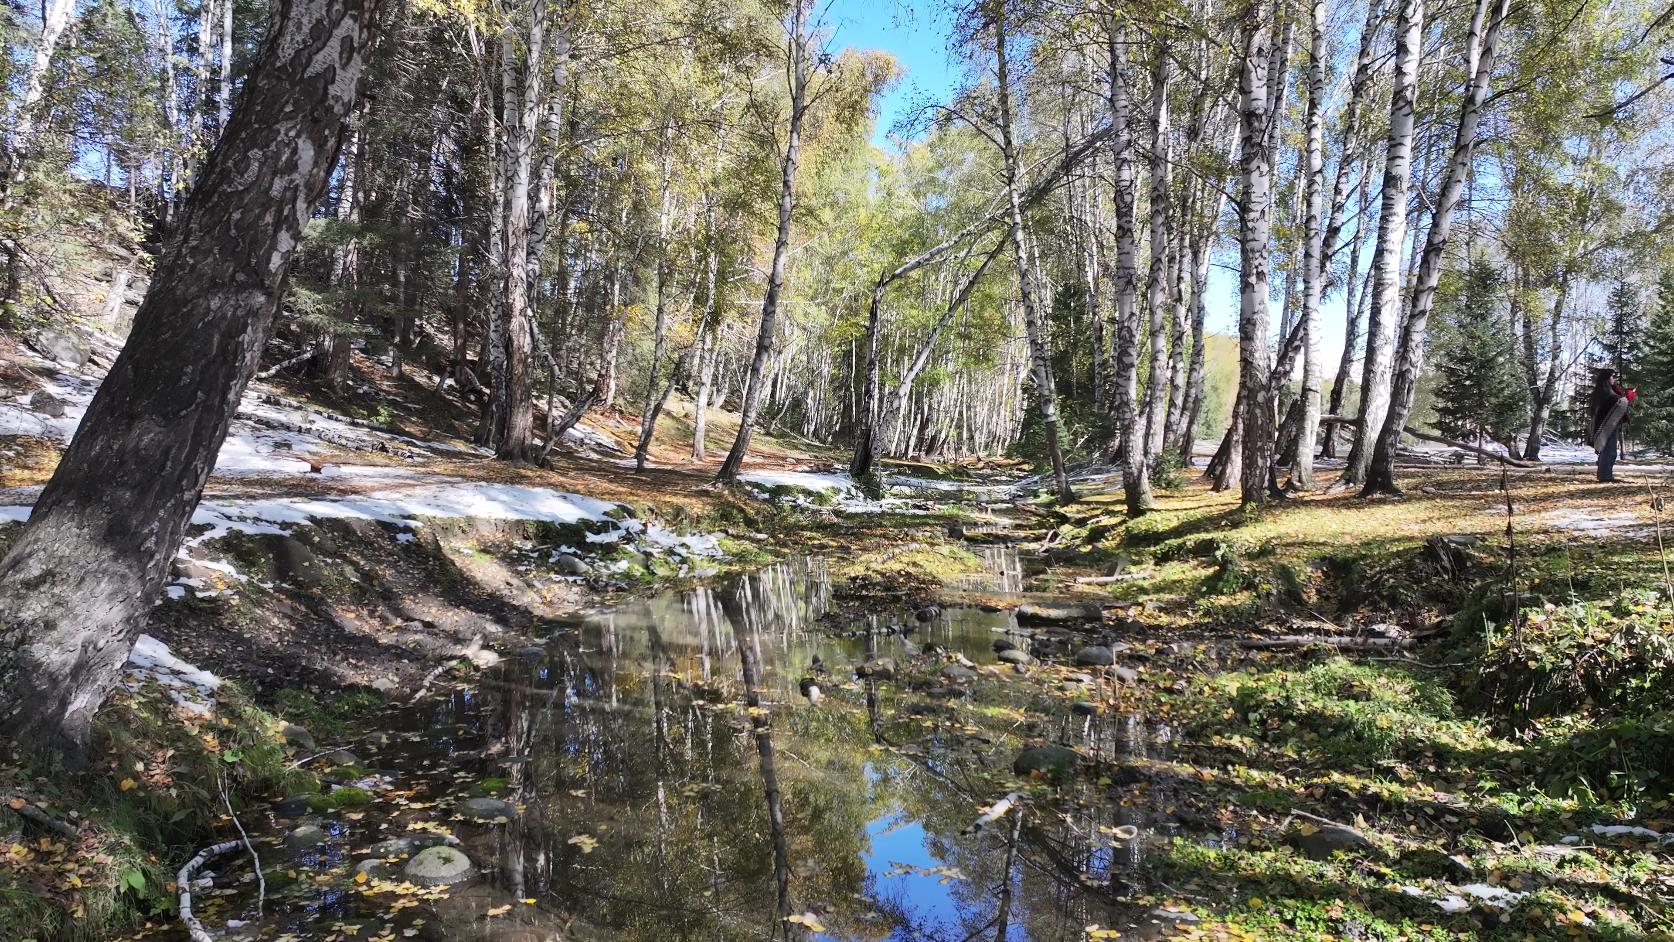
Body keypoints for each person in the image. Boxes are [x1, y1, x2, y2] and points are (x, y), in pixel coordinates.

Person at [1589, 368, 1634, 482]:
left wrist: (1619, 392)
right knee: (1609, 452)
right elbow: (1619, 404)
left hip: (1604, 426)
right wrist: (1628, 397)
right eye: (1612, 377)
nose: (1614, 379)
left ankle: (1604, 475)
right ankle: (1605, 477)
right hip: (1606, 427)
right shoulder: (1606, 393)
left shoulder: (1601, 392)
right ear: (1606, 379)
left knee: (1607, 451)